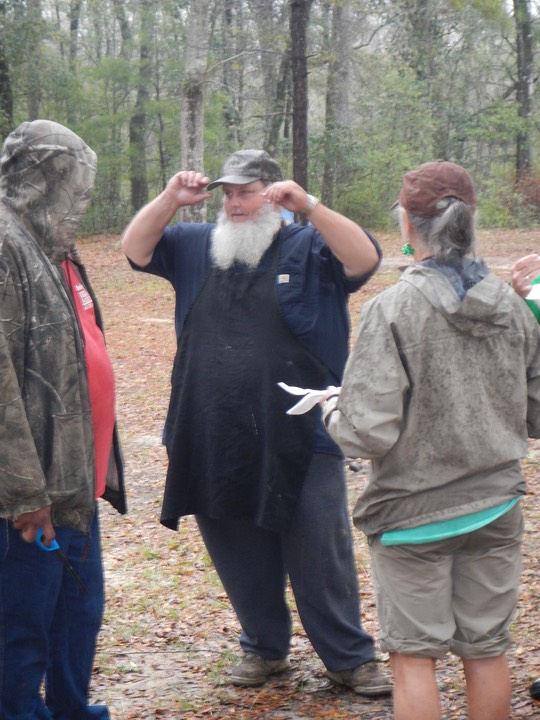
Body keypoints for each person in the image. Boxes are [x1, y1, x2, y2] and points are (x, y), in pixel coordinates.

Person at [121, 149, 392, 696]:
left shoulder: (309, 244)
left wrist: (310, 206)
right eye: (228, 193)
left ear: (272, 194)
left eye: (246, 191)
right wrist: (171, 199)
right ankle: (264, 649)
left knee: (319, 551)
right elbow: (136, 248)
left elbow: (364, 259)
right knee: (237, 548)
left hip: (302, 430)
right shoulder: (200, 245)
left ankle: (349, 658)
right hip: (211, 426)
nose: (235, 202)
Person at [321, 161, 540, 720]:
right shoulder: (514, 307)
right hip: (496, 505)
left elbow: (366, 430)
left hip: (413, 514)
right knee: (487, 650)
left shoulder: (391, 309)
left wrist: (329, 410)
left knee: (413, 658)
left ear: (406, 224)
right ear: (472, 219)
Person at [0, 120, 127, 719]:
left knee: (77, 618)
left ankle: (75, 712)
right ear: (45, 180)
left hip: (77, 483)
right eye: (76, 191)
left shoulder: (52, 246)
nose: (82, 205)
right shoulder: (6, 246)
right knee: (20, 636)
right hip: (29, 503)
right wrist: (25, 492)